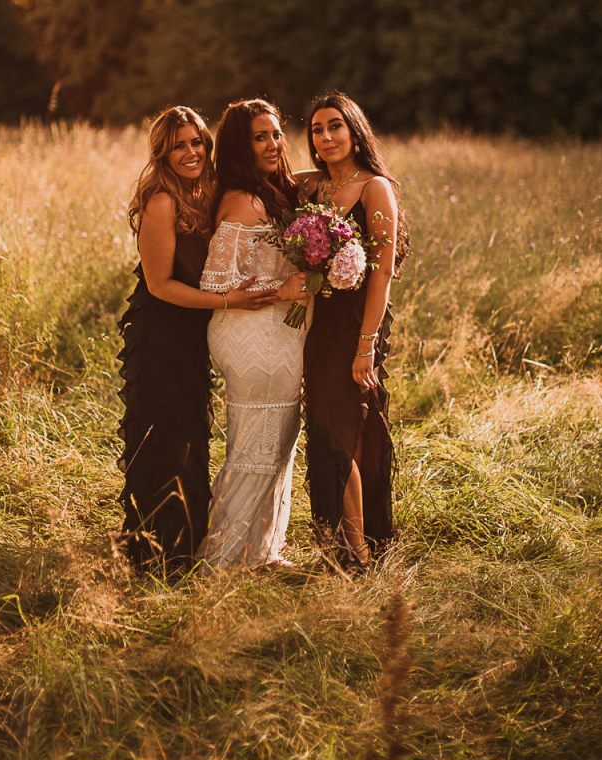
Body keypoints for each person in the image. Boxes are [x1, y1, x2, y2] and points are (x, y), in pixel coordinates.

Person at [118, 106, 277, 570]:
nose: (191, 152)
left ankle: (185, 544)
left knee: (190, 435)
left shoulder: (204, 192)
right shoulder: (162, 200)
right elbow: (160, 285)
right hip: (161, 334)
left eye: (197, 143)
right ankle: (156, 552)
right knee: (165, 438)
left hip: (192, 333)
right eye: (178, 145)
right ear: (162, 152)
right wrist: (229, 302)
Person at [196, 98, 309, 569]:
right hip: (251, 336)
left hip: (277, 334)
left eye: (277, 133)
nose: (273, 144)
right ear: (242, 146)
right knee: (256, 444)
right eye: (260, 137)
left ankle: (260, 551)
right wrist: (284, 288)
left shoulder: (272, 191)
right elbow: (216, 281)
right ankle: (223, 558)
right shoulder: (242, 200)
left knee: (277, 441)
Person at [299, 91, 409, 569]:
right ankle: (342, 541)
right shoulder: (312, 189)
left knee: (343, 432)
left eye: (335, 127)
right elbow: (269, 179)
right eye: (317, 131)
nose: (325, 138)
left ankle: (359, 550)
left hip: (357, 328)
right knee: (326, 428)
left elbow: (381, 272)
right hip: (317, 328)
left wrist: (366, 345)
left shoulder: (374, 189)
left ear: (354, 130)